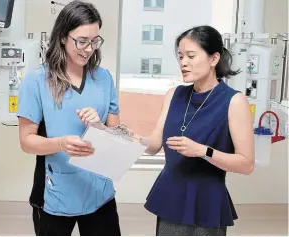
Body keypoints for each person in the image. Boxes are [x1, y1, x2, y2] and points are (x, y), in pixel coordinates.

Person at [136, 25, 255, 236]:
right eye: (180, 56)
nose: (183, 63)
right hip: (171, 197)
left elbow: (246, 164)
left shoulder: (234, 101)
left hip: (206, 201)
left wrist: (203, 151)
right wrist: (129, 136)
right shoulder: (174, 94)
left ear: (214, 59)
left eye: (191, 56)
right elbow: (154, 145)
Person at [17, 1, 121, 235]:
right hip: (55, 192)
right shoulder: (36, 81)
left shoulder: (103, 79)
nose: (89, 48)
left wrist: (99, 126)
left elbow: (118, 136)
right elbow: (26, 141)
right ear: (63, 36)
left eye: (94, 41)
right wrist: (61, 144)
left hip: (99, 192)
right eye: (82, 41)